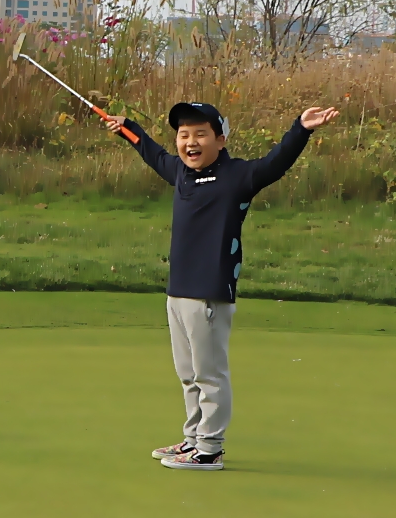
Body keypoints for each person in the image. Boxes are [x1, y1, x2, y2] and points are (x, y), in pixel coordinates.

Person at [106, 97, 341, 472]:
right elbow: (152, 152)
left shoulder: (237, 176)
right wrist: (128, 128)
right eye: (184, 135)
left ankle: (210, 448)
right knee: (188, 374)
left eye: (201, 134)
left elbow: (275, 162)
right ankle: (193, 438)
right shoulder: (181, 172)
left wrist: (301, 128)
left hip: (210, 292)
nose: (190, 142)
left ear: (220, 139)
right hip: (178, 291)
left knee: (209, 374)